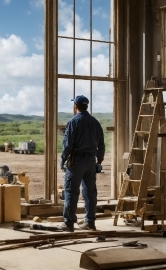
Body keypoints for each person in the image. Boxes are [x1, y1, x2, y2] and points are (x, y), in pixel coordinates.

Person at [60, 95, 105, 232]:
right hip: (91, 162)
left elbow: (68, 144)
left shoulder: (73, 122)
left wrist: (63, 159)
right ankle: (90, 222)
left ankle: (68, 223)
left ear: (76, 106)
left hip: (76, 162)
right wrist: (99, 160)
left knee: (71, 191)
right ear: (86, 106)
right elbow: (101, 145)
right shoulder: (95, 123)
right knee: (90, 192)